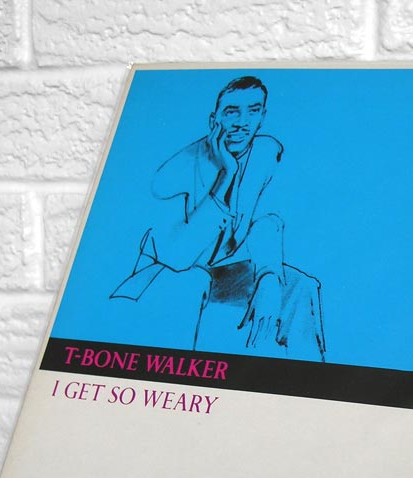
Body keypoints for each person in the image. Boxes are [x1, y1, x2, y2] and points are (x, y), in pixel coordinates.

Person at [111, 76, 325, 361]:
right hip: (165, 275)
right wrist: (227, 173)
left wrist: (269, 275)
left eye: (253, 111)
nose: (242, 123)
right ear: (215, 120)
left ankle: (311, 380)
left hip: (221, 274)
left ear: (262, 117)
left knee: (301, 285)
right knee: (195, 279)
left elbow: (268, 220)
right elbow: (178, 257)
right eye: (232, 112)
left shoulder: (265, 153)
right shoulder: (175, 171)